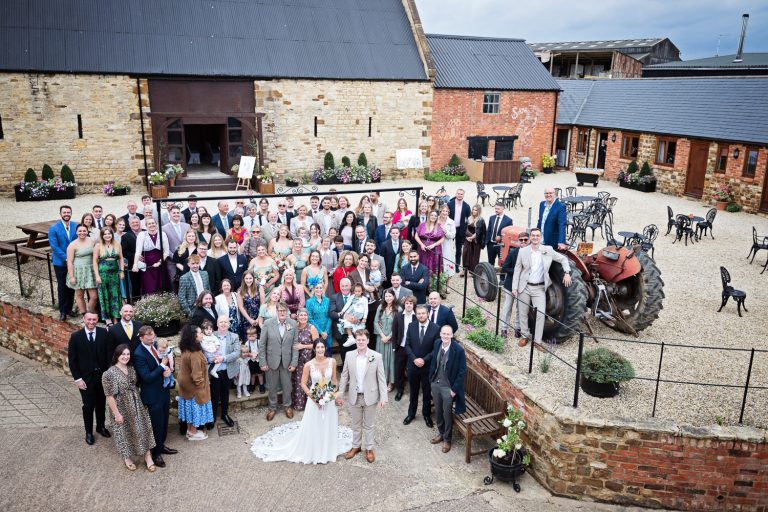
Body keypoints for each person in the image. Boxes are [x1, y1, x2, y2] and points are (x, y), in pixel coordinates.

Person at [251, 339, 352, 464]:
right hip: (314, 397)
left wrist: (335, 396)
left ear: (326, 348)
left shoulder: (332, 361)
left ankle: (327, 448)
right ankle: (314, 449)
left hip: (328, 397)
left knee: (328, 422)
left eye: (322, 347)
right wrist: (313, 398)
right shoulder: (309, 364)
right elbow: (303, 384)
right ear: (314, 349)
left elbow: (334, 380)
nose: (320, 349)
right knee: (314, 424)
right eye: (318, 347)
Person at [512, 228, 572, 348]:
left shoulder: (548, 250)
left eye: (537, 236)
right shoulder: (523, 251)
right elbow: (517, 269)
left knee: (540, 314)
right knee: (523, 312)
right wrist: (514, 287)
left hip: (539, 288)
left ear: (541, 237)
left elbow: (563, 259)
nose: (535, 237)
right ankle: (524, 336)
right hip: (524, 287)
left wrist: (567, 273)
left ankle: (537, 341)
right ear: (530, 237)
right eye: (533, 235)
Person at [102, 344, 157, 471]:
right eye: (123, 354)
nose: (126, 357)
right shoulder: (108, 374)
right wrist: (117, 414)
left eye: (128, 354)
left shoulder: (131, 368)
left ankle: (147, 456)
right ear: (117, 355)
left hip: (136, 404)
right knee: (123, 432)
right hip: (121, 407)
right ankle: (127, 458)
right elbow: (109, 396)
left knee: (143, 429)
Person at [336, 330, 388, 463]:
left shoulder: (376, 356)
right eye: (358, 340)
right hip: (354, 396)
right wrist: (340, 393)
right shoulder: (349, 355)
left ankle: (369, 448)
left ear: (368, 341)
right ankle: (356, 446)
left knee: (369, 425)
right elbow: (344, 376)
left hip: (370, 396)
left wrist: (383, 397)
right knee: (356, 424)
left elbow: (381, 378)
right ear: (355, 341)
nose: (360, 342)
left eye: (363, 340)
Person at [133, 325, 176, 468]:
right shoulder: (138, 354)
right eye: (148, 338)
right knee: (156, 425)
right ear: (141, 338)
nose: (152, 340)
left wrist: (168, 370)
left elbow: (167, 359)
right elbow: (147, 377)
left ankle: (161, 446)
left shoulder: (157, 345)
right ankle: (156, 454)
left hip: (163, 391)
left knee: (164, 422)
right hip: (152, 395)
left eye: (153, 336)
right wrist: (162, 366)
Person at [68, 311, 112, 445]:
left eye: (94, 319)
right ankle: (88, 432)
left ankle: (100, 427)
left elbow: (109, 355)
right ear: (84, 319)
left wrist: (108, 374)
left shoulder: (104, 333)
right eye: (89, 319)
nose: (91, 322)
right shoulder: (76, 337)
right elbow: (72, 361)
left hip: (102, 377)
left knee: (101, 403)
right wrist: (78, 379)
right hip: (85, 379)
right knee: (88, 406)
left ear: (97, 320)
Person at [428, 325, 467, 454]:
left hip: (448, 387)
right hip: (436, 383)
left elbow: (462, 371)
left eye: (448, 334)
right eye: (443, 333)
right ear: (440, 334)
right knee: (438, 410)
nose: (445, 336)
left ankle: (447, 439)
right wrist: (431, 379)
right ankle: (440, 433)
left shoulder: (458, 350)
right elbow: (434, 361)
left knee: (447, 413)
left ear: (452, 335)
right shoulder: (437, 343)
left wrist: (454, 389)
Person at [259, 303, 299, 421]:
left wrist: (294, 362)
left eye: (284, 310)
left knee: (287, 386)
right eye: (280, 310)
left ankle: (287, 406)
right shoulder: (268, 323)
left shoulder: (293, 323)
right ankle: (272, 408)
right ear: (276, 311)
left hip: (287, 361)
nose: (282, 312)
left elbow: (295, 344)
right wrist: (262, 362)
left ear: (287, 311)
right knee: (272, 386)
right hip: (272, 360)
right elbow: (262, 344)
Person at [403, 305, 440, 428]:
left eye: (423, 313)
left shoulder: (436, 328)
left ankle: (426, 415)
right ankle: (411, 414)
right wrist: (414, 359)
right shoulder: (411, 326)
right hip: (413, 366)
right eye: (418, 313)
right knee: (413, 392)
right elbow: (407, 345)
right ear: (416, 314)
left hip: (427, 367)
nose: (421, 315)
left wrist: (424, 360)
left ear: (428, 314)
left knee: (426, 392)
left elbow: (436, 349)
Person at [176, 324, 213, 441]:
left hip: (186, 388)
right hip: (194, 390)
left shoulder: (186, 349)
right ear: (193, 336)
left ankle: (189, 431)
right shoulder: (195, 354)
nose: (202, 334)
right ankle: (193, 432)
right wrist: (202, 389)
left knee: (189, 411)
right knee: (194, 410)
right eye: (200, 333)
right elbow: (197, 376)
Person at [208, 316, 240, 428]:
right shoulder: (211, 336)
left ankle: (224, 414)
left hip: (227, 370)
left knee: (225, 394)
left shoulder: (234, 336)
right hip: (214, 371)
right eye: (221, 322)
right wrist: (211, 359)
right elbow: (205, 350)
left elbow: (237, 353)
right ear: (217, 324)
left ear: (229, 324)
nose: (223, 324)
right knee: (214, 395)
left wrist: (224, 358)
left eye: (225, 322)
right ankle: (212, 416)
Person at [49, 205, 78, 320]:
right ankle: (62, 311)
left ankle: (69, 309)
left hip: (74, 261)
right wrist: (66, 258)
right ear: (60, 214)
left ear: (71, 213)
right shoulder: (54, 228)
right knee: (62, 286)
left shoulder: (75, 226)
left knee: (71, 285)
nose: (66, 214)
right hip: (60, 262)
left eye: (68, 212)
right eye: (64, 212)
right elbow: (54, 246)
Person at [92, 227, 124, 325]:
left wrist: (121, 271)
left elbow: (121, 258)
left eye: (109, 233)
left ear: (112, 235)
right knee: (104, 295)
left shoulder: (117, 244)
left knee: (115, 295)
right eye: (105, 234)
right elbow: (95, 261)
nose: (107, 236)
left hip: (114, 274)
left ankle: (115, 317)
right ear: (102, 236)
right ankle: (107, 319)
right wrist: (97, 276)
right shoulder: (98, 246)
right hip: (103, 274)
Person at [500, 231, 529, 338]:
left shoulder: (531, 253)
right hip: (510, 284)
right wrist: (518, 272)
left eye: (525, 240)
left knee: (520, 308)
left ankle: (518, 328)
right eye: (521, 240)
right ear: (518, 241)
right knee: (508, 307)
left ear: (529, 241)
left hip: (523, 286)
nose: (523, 242)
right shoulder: (513, 253)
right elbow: (505, 267)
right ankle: (504, 328)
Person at [67, 225, 98, 315]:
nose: (82, 233)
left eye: (84, 231)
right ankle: (84, 313)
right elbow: (69, 262)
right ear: (76, 232)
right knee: (80, 295)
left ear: (87, 231)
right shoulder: (72, 245)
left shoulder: (92, 241)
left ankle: (90, 311)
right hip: (78, 271)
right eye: (80, 231)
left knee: (94, 296)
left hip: (90, 270)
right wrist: (72, 276)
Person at [132, 218, 169, 295]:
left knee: (161, 285)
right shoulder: (142, 235)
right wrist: (135, 264)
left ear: (156, 224)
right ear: (146, 225)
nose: (151, 225)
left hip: (160, 263)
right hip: (147, 265)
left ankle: (162, 302)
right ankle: (150, 302)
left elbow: (166, 252)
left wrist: (159, 262)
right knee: (149, 286)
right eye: (149, 223)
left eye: (153, 223)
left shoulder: (162, 234)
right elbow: (138, 251)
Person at [391, 295, 417, 401]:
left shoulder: (417, 316)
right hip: (400, 347)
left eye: (411, 303)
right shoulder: (398, 316)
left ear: (413, 305)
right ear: (404, 304)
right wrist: (394, 346)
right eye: (407, 303)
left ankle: (414, 391)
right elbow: (394, 332)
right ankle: (400, 390)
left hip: (413, 348)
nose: (409, 305)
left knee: (413, 370)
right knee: (399, 370)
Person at [292, 309, 318, 411]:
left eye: (305, 315)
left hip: (309, 360)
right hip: (297, 360)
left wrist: (303, 346)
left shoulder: (312, 328)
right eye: (301, 315)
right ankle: (299, 404)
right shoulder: (294, 327)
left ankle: (311, 404)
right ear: (297, 317)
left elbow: (317, 345)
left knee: (309, 382)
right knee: (298, 382)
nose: (303, 317)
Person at [374, 288, 398, 391]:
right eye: (386, 296)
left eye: (390, 296)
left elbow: (398, 326)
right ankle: (381, 381)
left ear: (394, 297)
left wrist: (389, 336)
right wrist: (382, 335)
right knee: (381, 360)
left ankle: (390, 382)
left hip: (391, 340)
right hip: (381, 339)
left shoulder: (398, 309)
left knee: (391, 361)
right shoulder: (380, 307)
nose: (388, 298)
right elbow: (376, 322)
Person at [415, 210, 444, 276]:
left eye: (435, 216)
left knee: (434, 265)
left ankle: (433, 280)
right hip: (423, 249)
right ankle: (422, 279)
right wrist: (421, 244)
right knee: (422, 263)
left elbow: (442, 239)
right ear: (429, 216)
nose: (433, 217)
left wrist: (433, 245)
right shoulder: (422, 225)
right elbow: (416, 236)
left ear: (437, 217)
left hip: (435, 249)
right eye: (432, 215)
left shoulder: (439, 226)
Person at [121, 217, 143, 304]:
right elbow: (124, 252)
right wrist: (136, 256)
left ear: (140, 223)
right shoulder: (125, 236)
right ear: (129, 225)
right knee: (136, 285)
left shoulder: (145, 232)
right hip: (133, 264)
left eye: (137, 222)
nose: (135, 224)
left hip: (148, 263)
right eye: (133, 223)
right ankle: (137, 303)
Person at [448, 188, 471, 268]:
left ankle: (457, 266)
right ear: (456, 194)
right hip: (450, 229)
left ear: (463, 195)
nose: (460, 195)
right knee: (449, 247)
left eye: (461, 194)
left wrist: (465, 230)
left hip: (460, 229)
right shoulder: (450, 204)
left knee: (458, 249)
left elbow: (468, 219)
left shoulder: (466, 206)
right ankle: (448, 265)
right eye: (458, 193)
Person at [339, 283, 368, 347]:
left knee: (355, 324)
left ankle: (355, 338)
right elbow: (347, 304)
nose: (357, 293)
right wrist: (342, 311)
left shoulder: (364, 299)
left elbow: (366, 309)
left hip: (359, 314)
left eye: (359, 291)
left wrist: (364, 318)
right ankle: (350, 337)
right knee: (346, 320)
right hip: (352, 312)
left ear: (362, 291)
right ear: (354, 291)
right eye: (356, 291)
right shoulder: (352, 297)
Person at [460, 205, 486, 277]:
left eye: (476, 210)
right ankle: (464, 269)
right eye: (473, 209)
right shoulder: (469, 218)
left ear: (478, 211)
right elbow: (465, 228)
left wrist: (472, 237)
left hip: (476, 240)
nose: (474, 211)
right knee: (465, 253)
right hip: (467, 238)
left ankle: (474, 271)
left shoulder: (481, 220)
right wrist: (467, 237)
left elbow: (479, 231)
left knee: (475, 256)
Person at [485, 201, 513, 266]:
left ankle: (501, 273)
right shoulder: (492, 218)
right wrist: (487, 242)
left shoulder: (508, 220)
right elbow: (489, 230)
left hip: (501, 245)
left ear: (503, 209)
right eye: (495, 208)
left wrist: (500, 237)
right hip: (491, 244)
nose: (496, 210)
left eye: (498, 209)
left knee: (502, 263)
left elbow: (509, 234)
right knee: (490, 263)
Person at [237, 272, 263, 341]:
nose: (248, 280)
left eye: (250, 278)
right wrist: (250, 320)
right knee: (247, 341)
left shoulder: (259, 287)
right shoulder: (240, 290)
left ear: (253, 278)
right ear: (243, 279)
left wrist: (258, 318)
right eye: (246, 278)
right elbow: (241, 307)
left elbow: (263, 304)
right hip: (246, 319)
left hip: (259, 317)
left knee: (259, 340)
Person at [306, 283, 332, 352]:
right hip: (316, 331)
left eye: (320, 288)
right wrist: (320, 332)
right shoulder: (309, 302)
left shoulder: (327, 300)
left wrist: (326, 331)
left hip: (327, 331)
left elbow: (330, 316)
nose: (319, 290)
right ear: (313, 289)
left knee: (328, 351)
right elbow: (309, 318)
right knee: (319, 351)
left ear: (323, 289)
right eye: (317, 288)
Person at [244, 326, 265, 393]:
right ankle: (252, 386)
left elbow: (262, 350)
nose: (251, 338)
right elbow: (245, 352)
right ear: (247, 336)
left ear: (256, 335)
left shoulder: (259, 342)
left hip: (258, 361)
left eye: (253, 336)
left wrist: (257, 354)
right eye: (249, 336)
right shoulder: (247, 343)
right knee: (252, 374)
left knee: (260, 374)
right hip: (251, 361)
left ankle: (261, 386)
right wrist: (250, 354)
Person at [437, 205, 457, 277]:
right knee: (437, 262)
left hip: (447, 245)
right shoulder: (436, 219)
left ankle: (447, 281)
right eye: (443, 211)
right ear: (440, 211)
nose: (444, 213)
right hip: (437, 244)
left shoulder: (451, 222)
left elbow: (453, 235)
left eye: (446, 211)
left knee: (447, 262)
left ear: (448, 212)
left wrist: (446, 232)